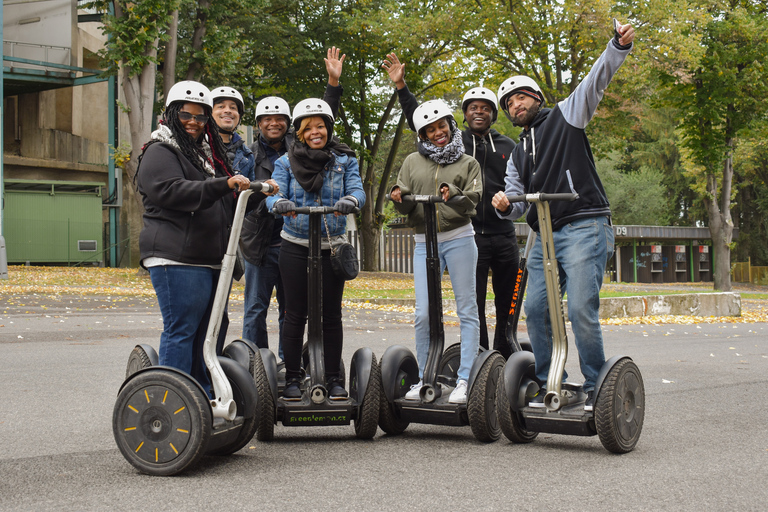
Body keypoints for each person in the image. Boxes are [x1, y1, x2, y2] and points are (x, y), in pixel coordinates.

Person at [491, 21, 635, 411]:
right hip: (545, 236)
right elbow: (518, 203)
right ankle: (549, 383)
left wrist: (617, 47)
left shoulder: (566, 115)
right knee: (535, 310)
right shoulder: (518, 153)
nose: (515, 106)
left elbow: (595, 81)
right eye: (509, 104)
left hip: (585, 223)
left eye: (520, 98)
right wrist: (506, 204)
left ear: (535, 97)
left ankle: (595, 387)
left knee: (578, 309)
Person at [136, 81, 269, 397]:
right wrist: (223, 184)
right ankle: (171, 401)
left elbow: (226, 204)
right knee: (183, 330)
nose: (194, 122)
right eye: (186, 115)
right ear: (171, 114)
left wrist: (258, 191)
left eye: (200, 116)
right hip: (176, 257)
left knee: (205, 334)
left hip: (208, 258)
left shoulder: (207, 155)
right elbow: (171, 190)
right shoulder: (160, 150)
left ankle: (201, 396)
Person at [382, 54, 519, 359]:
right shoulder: (454, 145)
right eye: (473, 108)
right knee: (474, 303)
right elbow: (421, 119)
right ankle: (481, 357)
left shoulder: (509, 147)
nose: (479, 112)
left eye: (485, 108)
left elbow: (525, 181)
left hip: (504, 233)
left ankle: (505, 353)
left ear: (494, 114)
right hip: (472, 235)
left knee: (507, 300)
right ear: (464, 115)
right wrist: (401, 87)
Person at [240, 47, 346, 360]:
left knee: (292, 310)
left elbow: (321, 122)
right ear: (258, 123)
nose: (273, 123)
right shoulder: (248, 156)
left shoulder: (298, 153)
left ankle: (288, 365)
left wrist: (332, 83)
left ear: (289, 123)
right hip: (260, 244)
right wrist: (268, 195)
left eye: (279, 119)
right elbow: (243, 198)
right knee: (255, 309)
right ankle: (256, 366)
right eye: (266, 119)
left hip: (295, 241)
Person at [265, 98, 365, 400]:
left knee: (331, 316)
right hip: (295, 245)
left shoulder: (344, 160)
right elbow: (273, 192)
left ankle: (334, 378)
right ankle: (293, 378)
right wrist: (278, 203)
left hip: (331, 246)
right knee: (294, 314)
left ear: (328, 128)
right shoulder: (284, 162)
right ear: (300, 132)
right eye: (308, 128)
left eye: (320, 126)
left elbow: (357, 189)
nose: (315, 132)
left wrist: (352, 201)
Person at [386, 95, 483, 404]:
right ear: (423, 135)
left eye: (442, 125)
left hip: (459, 238)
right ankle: (425, 378)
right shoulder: (412, 162)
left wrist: (453, 194)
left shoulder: (468, 162)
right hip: (422, 241)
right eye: (430, 129)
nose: (438, 132)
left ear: (450, 125)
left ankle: (465, 378)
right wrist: (398, 196)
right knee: (423, 313)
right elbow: (402, 196)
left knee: (467, 309)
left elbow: (474, 198)